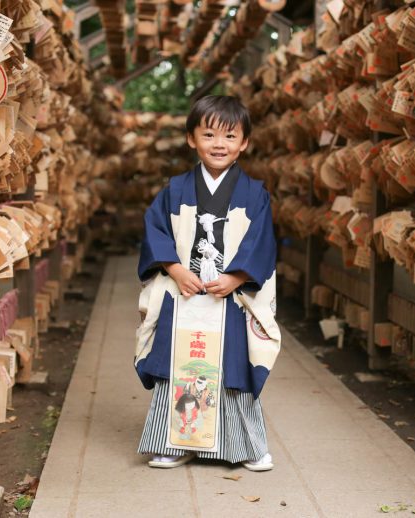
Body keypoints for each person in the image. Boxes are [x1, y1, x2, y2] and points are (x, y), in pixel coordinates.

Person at [134, 95, 280, 472]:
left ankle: (245, 445)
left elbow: (261, 241)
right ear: (191, 139)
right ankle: (175, 441)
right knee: (178, 364)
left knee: (233, 369)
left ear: (244, 143)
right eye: (209, 134)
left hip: (229, 298)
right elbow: (155, 230)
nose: (219, 144)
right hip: (183, 292)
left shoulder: (254, 193)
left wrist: (237, 277)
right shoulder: (176, 189)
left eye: (230, 136)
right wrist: (176, 269)